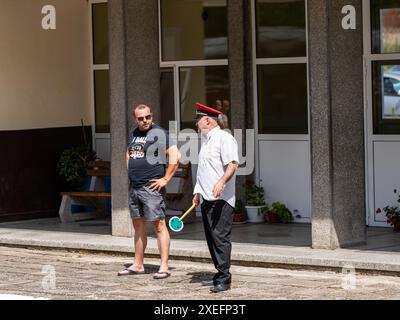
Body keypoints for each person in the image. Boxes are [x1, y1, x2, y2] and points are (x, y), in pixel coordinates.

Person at [118, 104, 181, 279]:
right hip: (135, 186)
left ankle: (164, 266)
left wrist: (165, 179)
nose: (145, 121)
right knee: (138, 225)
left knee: (159, 225)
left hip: (151, 187)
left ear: (151, 116)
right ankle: (138, 265)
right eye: (141, 118)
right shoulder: (133, 133)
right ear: (135, 119)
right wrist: (130, 170)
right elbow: (129, 153)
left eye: (148, 117)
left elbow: (176, 156)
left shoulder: (159, 133)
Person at [192, 102, 239, 293]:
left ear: (207, 120)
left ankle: (224, 278)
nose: (196, 124)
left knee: (220, 238)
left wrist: (221, 182)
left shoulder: (224, 138)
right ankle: (219, 273)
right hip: (206, 198)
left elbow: (233, 164)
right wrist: (197, 191)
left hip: (221, 199)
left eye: (198, 120)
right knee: (212, 238)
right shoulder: (206, 140)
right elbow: (203, 170)